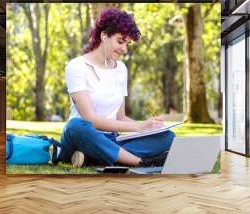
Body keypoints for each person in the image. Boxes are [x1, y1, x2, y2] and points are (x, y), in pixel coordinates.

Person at [53, 8, 175, 167]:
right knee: (76, 125)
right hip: (81, 136)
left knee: (167, 136)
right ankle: (140, 162)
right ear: (104, 36)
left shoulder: (121, 69)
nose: (125, 49)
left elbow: (120, 116)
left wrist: (149, 127)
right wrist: (139, 126)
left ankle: (93, 158)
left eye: (128, 43)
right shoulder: (76, 66)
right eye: (120, 41)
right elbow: (91, 120)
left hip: (111, 139)